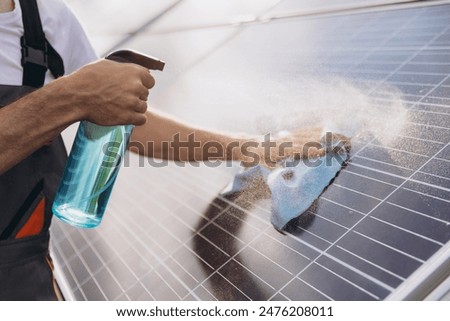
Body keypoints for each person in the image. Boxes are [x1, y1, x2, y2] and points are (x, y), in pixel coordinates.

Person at [0, 0, 335, 300]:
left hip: (27, 275)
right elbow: (85, 94)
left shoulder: (45, 17)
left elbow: (126, 120)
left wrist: (253, 148)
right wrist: (71, 97)